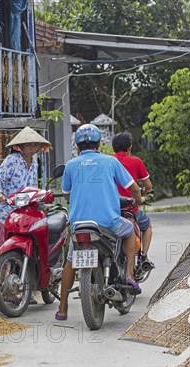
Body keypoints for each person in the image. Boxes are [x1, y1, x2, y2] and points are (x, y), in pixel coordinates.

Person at [55, 124, 144, 321]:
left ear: (78, 146)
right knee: (130, 229)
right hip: (108, 223)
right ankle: (129, 274)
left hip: (79, 225)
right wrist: (139, 201)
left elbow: (66, 195)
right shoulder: (110, 162)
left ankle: (62, 308)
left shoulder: (71, 165)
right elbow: (135, 188)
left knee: (70, 261)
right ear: (98, 144)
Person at [0, 126, 51, 248]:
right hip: (0, 211)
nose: (31, 148)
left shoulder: (35, 164)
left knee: (22, 247)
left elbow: (30, 190)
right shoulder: (12, 160)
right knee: (5, 247)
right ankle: (3, 267)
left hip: (19, 214)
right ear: (20, 147)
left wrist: (40, 204)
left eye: (35, 145)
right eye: (28, 145)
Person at [111, 132, 154, 264]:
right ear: (130, 147)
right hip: (131, 208)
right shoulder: (136, 162)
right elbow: (148, 186)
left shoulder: (108, 162)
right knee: (147, 227)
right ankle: (144, 257)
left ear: (113, 148)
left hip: (111, 209)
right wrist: (142, 194)